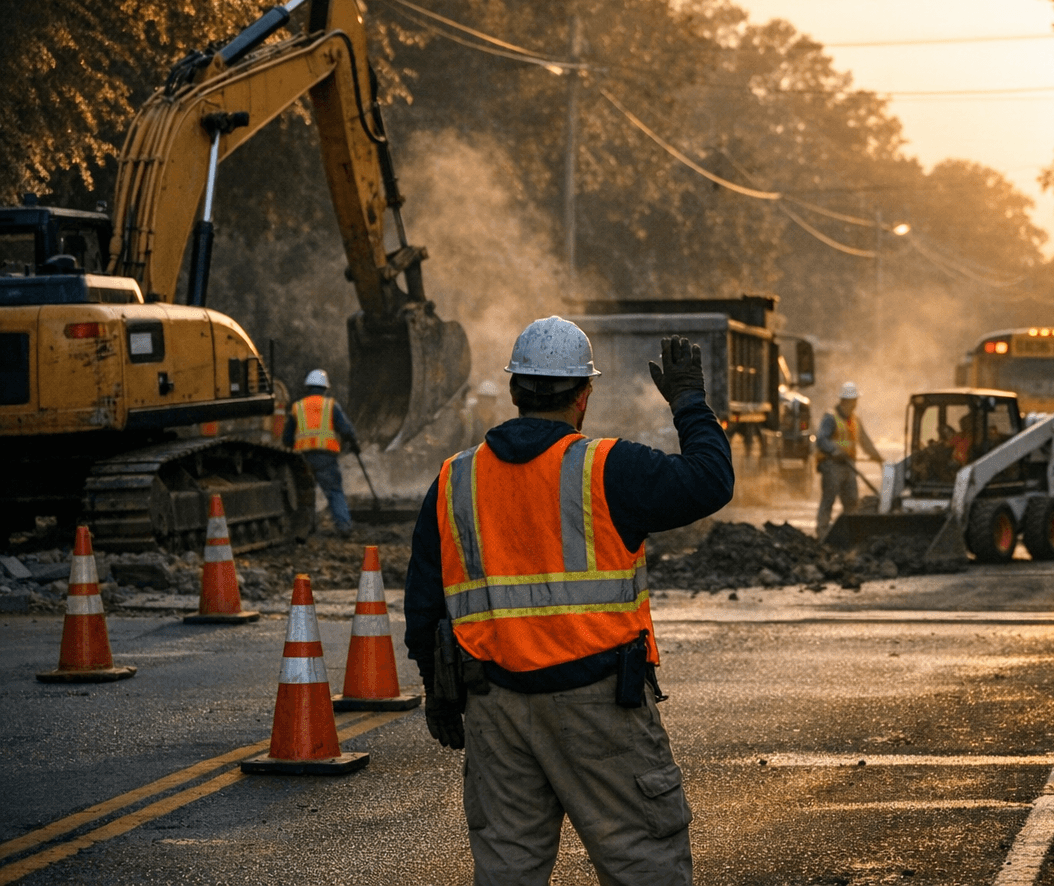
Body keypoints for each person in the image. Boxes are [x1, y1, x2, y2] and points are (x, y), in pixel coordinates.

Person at [404, 317, 733, 886]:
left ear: (513, 391)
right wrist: (689, 403)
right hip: (599, 707)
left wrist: (439, 693)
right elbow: (710, 480)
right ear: (584, 395)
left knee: (507, 872)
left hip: (495, 709)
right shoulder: (609, 469)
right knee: (643, 864)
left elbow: (424, 604)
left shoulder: (456, 479)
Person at [282, 368, 361, 537]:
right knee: (334, 492)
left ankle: (304, 530)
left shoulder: (297, 407)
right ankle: (344, 527)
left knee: (304, 495)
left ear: (308, 387)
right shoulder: (331, 405)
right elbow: (346, 429)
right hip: (325, 458)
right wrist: (354, 444)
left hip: (302, 459)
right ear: (325, 388)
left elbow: (287, 438)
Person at [815, 381, 884, 540]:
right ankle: (822, 534)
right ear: (845, 401)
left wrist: (877, 457)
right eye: (854, 401)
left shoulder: (855, 420)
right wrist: (834, 450)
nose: (855, 405)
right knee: (828, 500)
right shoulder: (830, 418)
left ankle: (851, 536)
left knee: (852, 501)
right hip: (832, 465)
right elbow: (821, 440)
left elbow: (865, 441)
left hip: (848, 466)